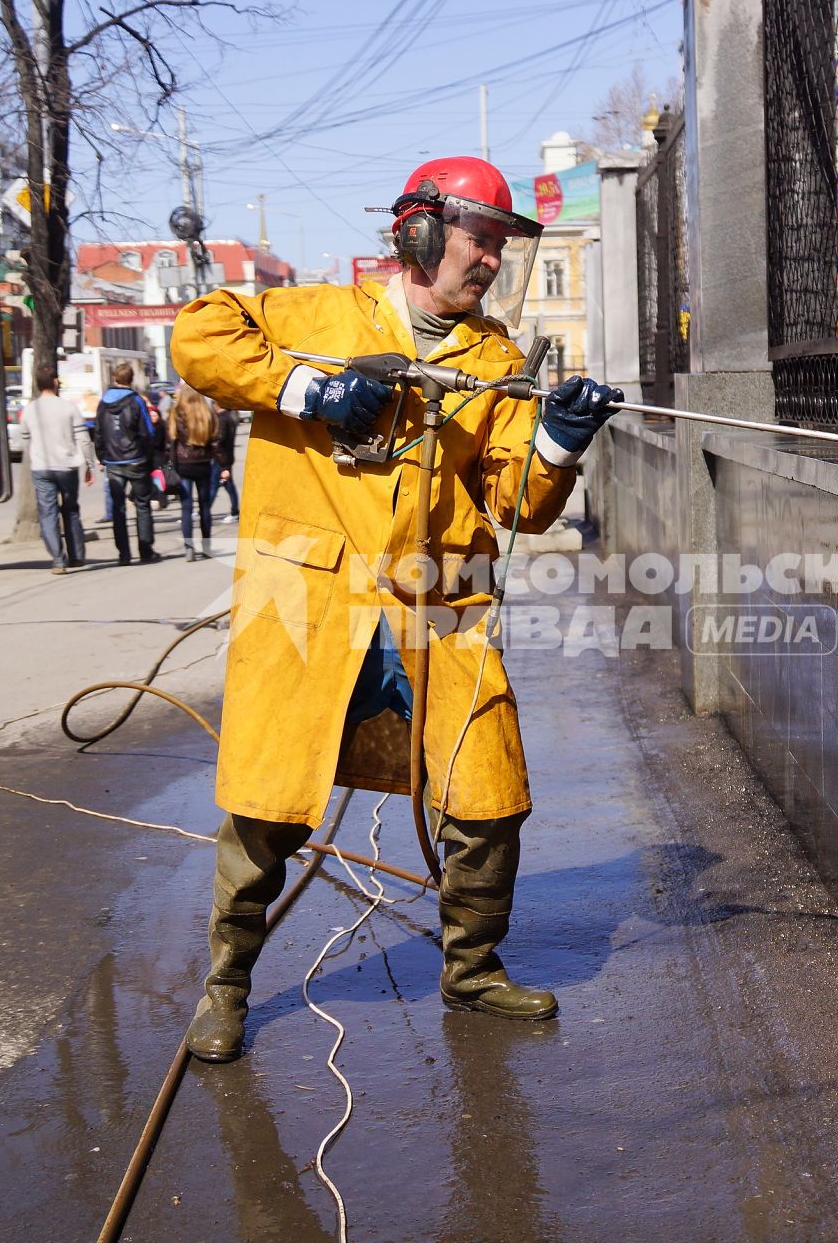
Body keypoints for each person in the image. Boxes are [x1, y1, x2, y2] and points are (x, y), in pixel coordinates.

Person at [170, 155, 623, 1062]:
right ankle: (223, 988)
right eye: (480, 239)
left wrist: (561, 446)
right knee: (269, 802)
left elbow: (520, 504)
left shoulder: (493, 362)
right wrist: (313, 390)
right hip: (310, 597)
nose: (492, 259)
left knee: (489, 790)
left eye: (502, 245)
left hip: (438, 599)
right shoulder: (311, 318)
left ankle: (473, 970)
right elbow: (199, 337)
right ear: (417, 232)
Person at [16, 366, 97, 574]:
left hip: (41, 467)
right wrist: (89, 464)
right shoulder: (68, 408)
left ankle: (58, 560)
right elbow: (83, 439)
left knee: (47, 513)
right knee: (70, 510)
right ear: (55, 383)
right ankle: (77, 556)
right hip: (67, 466)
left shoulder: (30, 410)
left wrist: (34, 456)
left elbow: (24, 440)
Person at [95, 362, 163, 564]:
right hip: (136, 459)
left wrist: (101, 456)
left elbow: (98, 432)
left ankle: (123, 553)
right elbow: (148, 430)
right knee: (142, 504)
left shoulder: (103, 402)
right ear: (131, 379)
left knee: (118, 508)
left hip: (113, 460)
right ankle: (145, 549)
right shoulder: (136, 401)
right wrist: (148, 453)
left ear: (115, 378)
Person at [167, 383, 235, 561]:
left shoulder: (176, 413)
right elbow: (216, 443)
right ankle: (206, 546)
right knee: (204, 507)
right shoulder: (207, 414)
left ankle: (189, 547)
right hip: (203, 464)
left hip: (183, 465)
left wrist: (169, 465)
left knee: (186, 507)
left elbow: (171, 442)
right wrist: (225, 466)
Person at [214, 407, 242, 522]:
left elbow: (220, 441)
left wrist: (224, 465)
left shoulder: (223, 419)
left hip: (221, 458)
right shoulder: (230, 417)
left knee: (214, 485)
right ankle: (235, 510)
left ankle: (235, 511)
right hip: (225, 457)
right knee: (227, 485)